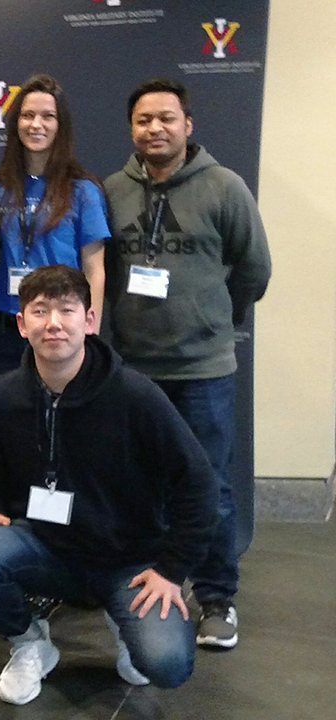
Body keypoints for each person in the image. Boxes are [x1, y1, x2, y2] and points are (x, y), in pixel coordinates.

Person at [0, 265, 217, 705]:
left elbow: (198, 482)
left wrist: (172, 570)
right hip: (47, 549)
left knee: (167, 665)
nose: (54, 323)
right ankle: (29, 643)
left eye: (66, 310)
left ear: (90, 321)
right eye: (40, 311)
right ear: (21, 325)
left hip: (128, 562)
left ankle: (126, 627)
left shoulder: (135, 396)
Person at [103, 78, 271, 650]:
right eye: (144, 120)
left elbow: (255, 270)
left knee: (211, 489)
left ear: (187, 125)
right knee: (140, 488)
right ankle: (146, 590)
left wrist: (213, 317)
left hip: (203, 370)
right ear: (132, 129)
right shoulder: (111, 191)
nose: (155, 129)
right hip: (133, 370)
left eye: (167, 119)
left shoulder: (225, 187)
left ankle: (217, 596)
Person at [0, 74, 109, 378]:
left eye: (47, 116)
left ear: (60, 125)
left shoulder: (82, 191)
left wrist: (90, 335)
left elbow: (95, 270)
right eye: (27, 115)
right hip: (7, 329)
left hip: (60, 331)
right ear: (16, 123)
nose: (36, 124)